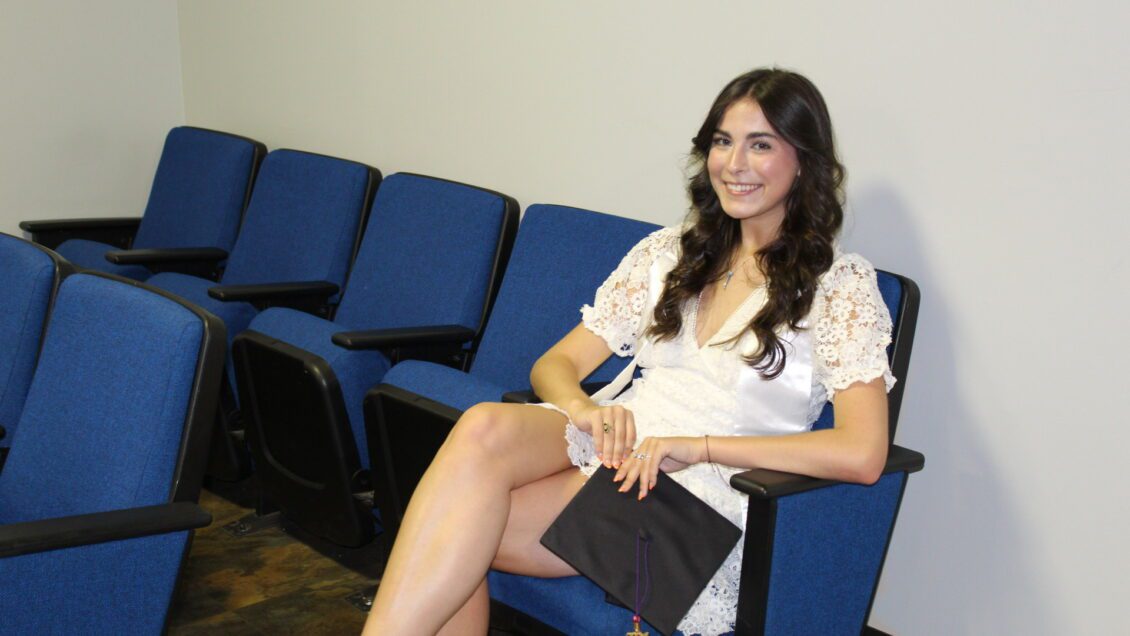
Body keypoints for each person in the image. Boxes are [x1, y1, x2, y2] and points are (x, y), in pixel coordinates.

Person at [363, 67, 894, 636]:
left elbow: (863, 453)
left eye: (759, 145)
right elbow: (554, 366)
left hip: (706, 493)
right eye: (722, 141)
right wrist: (585, 410)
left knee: (453, 528)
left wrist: (697, 447)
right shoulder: (669, 254)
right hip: (621, 450)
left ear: (804, 161)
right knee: (481, 430)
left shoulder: (839, 287)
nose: (734, 164)